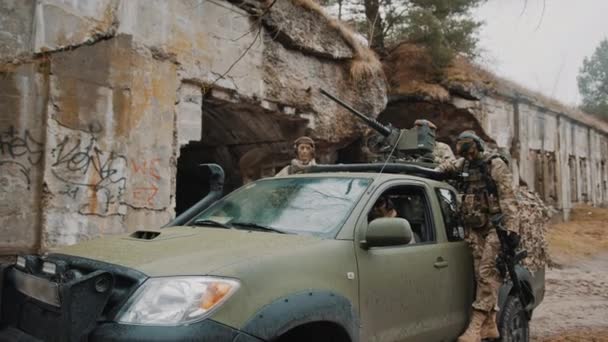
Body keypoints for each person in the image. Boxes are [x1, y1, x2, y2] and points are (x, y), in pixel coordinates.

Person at [436, 130, 520, 342]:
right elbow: (448, 167)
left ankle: (476, 325)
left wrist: (512, 231)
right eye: (466, 154)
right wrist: (438, 169)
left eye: (472, 153)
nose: (470, 157)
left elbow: (508, 199)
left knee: (486, 272)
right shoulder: (464, 163)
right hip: (475, 228)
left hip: (496, 227)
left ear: (478, 147)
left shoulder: (495, 165)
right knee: (479, 275)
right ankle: (491, 324)